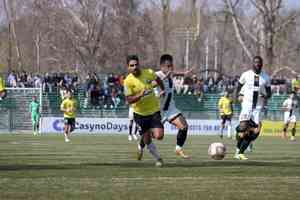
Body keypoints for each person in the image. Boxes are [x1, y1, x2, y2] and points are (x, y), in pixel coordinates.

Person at [123, 54, 165, 167]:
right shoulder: (127, 81)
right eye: (132, 65)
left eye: (136, 64)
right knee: (147, 139)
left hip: (154, 111)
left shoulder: (149, 72)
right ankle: (158, 158)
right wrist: (140, 95)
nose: (135, 67)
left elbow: (158, 80)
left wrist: (163, 89)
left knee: (159, 136)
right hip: (140, 114)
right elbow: (129, 100)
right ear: (128, 67)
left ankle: (145, 135)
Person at [234, 56, 272, 160]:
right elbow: (238, 86)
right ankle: (238, 139)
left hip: (258, 108)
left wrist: (266, 96)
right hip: (246, 105)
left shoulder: (266, 78)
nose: (257, 64)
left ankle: (239, 152)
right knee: (242, 129)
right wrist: (237, 95)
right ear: (253, 63)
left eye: (259, 63)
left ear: (262, 64)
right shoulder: (246, 75)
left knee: (255, 132)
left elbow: (269, 93)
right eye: (256, 62)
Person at [155, 54, 192, 159]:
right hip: (157, 111)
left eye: (171, 66)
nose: (170, 68)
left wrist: (184, 73)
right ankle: (141, 145)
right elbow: (152, 84)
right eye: (168, 66)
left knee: (184, 126)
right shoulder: (156, 74)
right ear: (162, 66)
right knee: (157, 136)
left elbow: (174, 73)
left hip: (170, 109)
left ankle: (178, 148)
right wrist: (166, 77)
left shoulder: (170, 74)